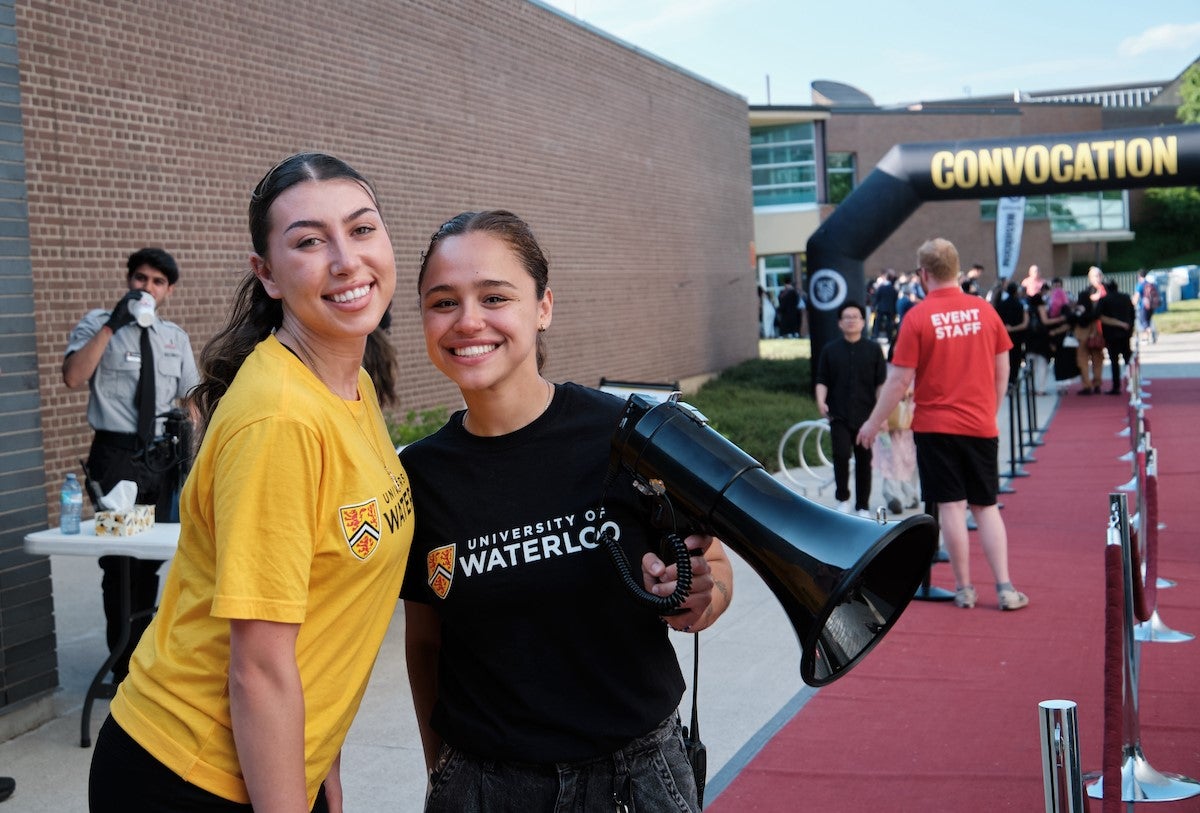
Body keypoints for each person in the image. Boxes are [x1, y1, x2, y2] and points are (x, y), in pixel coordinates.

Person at [88, 153, 414, 812]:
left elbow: (328, 614)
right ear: (265, 273)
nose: (346, 259)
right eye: (309, 241)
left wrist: (326, 765)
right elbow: (261, 667)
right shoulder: (281, 418)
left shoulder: (349, 388)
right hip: (189, 775)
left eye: (361, 228)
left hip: (277, 763)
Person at [401, 210, 734, 812]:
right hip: (484, 786)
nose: (468, 320)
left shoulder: (629, 434)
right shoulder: (419, 475)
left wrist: (699, 598)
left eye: (495, 296)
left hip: (637, 782)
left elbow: (714, 568)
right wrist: (441, 770)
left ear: (543, 306)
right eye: (442, 301)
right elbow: (425, 642)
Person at [857, 237, 1029, 612]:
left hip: (935, 428)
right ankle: (1004, 587)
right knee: (986, 506)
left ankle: (965, 589)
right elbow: (1004, 369)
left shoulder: (917, 318)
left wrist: (873, 422)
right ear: (956, 268)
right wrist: (991, 409)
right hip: (981, 426)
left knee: (951, 506)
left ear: (923, 274)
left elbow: (899, 381)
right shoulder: (984, 311)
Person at [62, 247, 199, 683]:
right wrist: (111, 325)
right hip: (115, 455)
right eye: (141, 279)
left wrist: (192, 450)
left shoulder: (174, 336)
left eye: (158, 282)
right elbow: (73, 376)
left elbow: (193, 399)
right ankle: (121, 667)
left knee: (151, 558)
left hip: (161, 458)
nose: (148, 288)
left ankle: (143, 659)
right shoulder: (98, 324)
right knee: (119, 562)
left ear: (169, 291)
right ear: (129, 281)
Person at [815, 301, 886, 516]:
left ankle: (862, 505)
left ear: (863, 322)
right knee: (840, 455)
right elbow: (822, 379)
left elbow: (881, 383)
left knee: (864, 460)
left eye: (856, 317)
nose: (852, 320)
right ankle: (843, 498)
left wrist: (880, 414)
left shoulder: (873, 350)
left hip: (867, 415)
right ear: (840, 323)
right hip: (839, 414)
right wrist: (821, 401)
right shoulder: (830, 350)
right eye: (847, 317)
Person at [1097, 280, 1136, 395]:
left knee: (1114, 361)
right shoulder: (1125, 297)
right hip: (1125, 333)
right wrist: (1129, 327)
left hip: (1111, 334)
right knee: (1128, 359)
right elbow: (1132, 314)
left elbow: (1097, 315)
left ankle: (1116, 386)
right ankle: (1132, 382)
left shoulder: (1104, 300)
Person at [870, 269, 899, 343]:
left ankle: (875, 336)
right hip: (890, 308)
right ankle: (889, 337)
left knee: (877, 322)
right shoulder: (893, 289)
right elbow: (895, 299)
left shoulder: (881, 287)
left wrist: (873, 306)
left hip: (881, 307)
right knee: (889, 323)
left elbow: (877, 297)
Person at [1133, 269, 1160, 344]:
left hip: (1143, 307)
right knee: (1148, 322)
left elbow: (1136, 297)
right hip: (1151, 306)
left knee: (1144, 323)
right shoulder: (1151, 283)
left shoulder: (1140, 284)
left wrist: (1132, 304)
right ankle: (1146, 338)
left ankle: (1152, 332)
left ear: (1139, 276)